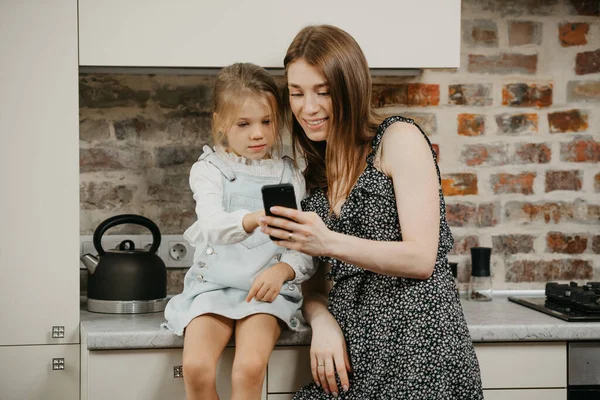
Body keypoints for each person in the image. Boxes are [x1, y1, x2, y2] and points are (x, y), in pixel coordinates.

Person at [258, 25, 484, 399]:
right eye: (296, 93)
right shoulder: (315, 178)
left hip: (420, 349)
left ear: (350, 89)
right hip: (353, 356)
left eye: (323, 92)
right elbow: (314, 284)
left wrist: (328, 241)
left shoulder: (398, 139)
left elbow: (421, 258)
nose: (307, 107)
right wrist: (322, 320)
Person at [162, 62, 315, 400]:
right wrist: (253, 219)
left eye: (266, 121)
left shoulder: (289, 175)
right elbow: (213, 225)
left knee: (248, 369)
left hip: (265, 294)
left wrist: (282, 269)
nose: (257, 133)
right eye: (243, 124)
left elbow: (302, 243)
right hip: (212, 288)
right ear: (220, 123)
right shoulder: (209, 170)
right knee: (197, 368)